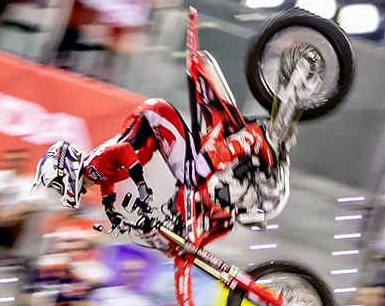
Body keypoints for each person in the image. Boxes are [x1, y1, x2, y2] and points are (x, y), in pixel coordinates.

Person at [32, 97, 274, 231]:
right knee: (189, 175)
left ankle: (251, 138)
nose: (60, 191)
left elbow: (124, 151)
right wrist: (110, 211)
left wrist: (141, 184)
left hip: (153, 119)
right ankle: (227, 193)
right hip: (152, 126)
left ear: (65, 171)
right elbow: (108, 181)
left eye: (56, 185)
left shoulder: (93, 165)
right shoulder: (93, 171)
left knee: (190, 173)